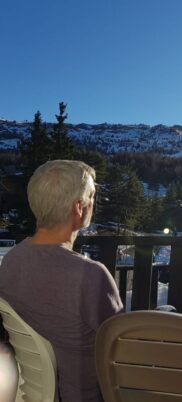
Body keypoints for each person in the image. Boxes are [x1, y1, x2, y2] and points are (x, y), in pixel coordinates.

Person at [0, 160, 123, 401]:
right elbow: (124, 349)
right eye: (92, 196)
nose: (93, 203)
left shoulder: (11, 260)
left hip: (31, 393)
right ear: (79, 207)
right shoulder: (90, 275)